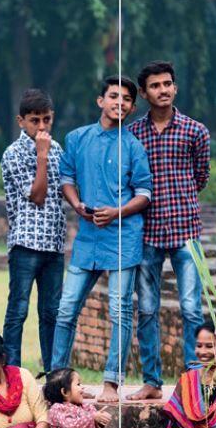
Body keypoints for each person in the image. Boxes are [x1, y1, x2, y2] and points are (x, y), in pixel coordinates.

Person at [52, 76, 154, 403]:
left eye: (126, 99)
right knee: (66, 309)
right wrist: (76, 203)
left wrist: (117, 212)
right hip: (87, 238)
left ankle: (112, 382)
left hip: (124, 237)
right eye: (113, 96)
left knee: (120, 311)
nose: (119, 103)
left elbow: (144, 194)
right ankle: (57, 380)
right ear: (100, 101)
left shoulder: (134, 146)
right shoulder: (77, 138)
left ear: (132, 107)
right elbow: (66, 178)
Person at [129, 60, 211, 401]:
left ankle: (195, 382)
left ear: (175, 87)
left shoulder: (195, 131)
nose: (162, 90)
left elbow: (201, 177)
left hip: (185, 231)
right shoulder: (133, 134)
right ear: (145, 93)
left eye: (167, 84)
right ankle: (151, 380)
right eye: (154, 86)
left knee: (192, 308)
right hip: (146, 233)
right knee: (147, 310)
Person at [0, 88, 68, 370]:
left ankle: (54, 372)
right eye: (35, 120)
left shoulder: (59, 149)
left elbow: (65, 190)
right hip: (26, 243)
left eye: (46, 120)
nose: (41, 127)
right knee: (18, 310)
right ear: (21, 121)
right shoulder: (13, 153)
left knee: (52, 312)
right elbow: (37, 195)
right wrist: (41, 155)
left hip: (53, 243)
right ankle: (13, 371)